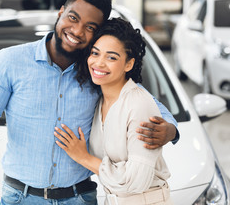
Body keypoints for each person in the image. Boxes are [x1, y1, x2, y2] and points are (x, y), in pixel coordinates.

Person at [0, 0, 178, 205]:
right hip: (21, 197)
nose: (77, 31)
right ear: (61, 12)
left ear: (98, 32)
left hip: (79, 197)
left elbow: (145, 102)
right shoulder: (9, 61)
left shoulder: (97, 70)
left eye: (90, 27)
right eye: (73, 18)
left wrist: (170, 129)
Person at [54, 18, 173, 205]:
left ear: (128, 64)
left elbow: (134, 181)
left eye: (111, 57)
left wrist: (83, 157)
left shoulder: (138, 104)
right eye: (95, 53)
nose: (99, 63)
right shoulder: (98, 101)